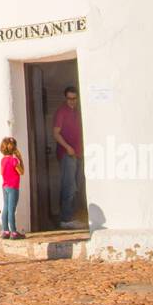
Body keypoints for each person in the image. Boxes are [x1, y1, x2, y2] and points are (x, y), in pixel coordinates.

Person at [53, 85, 85, 228]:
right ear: (66, 98)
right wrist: (67, 147)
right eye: (69, 98)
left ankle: (72, 216)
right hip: (67, 154)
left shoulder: (77, 111)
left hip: (78, 154)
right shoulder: (62, 112)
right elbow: (56, 133)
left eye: (74, 98)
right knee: (69, 186)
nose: (72, 101)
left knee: (76, 186)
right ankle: (66, 219)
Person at [0, 137, 25, 239]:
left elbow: (1, 172)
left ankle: (5, 231)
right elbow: (21, 172)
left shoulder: (3, 160)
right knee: (11, 209)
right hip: (13, 187)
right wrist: (20, 159)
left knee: (5, 208)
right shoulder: (14, 160)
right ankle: (14, 232)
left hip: (5, 186)